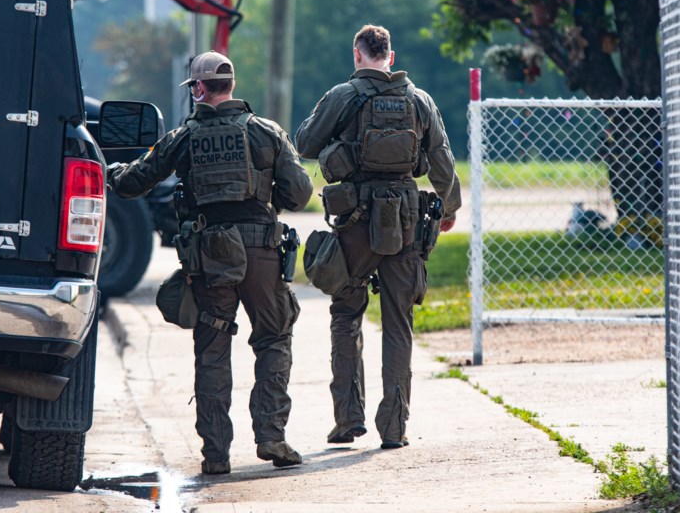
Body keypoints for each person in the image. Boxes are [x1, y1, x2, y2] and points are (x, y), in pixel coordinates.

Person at [107, 51, 313, 475]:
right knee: (273, 339)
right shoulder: (267, 132)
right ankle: (272, 436)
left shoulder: (183, 137)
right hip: (262, 256)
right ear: (231, 85)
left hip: (211, 260)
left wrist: (106, 169)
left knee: (213, 350)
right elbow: (298, 195)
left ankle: (215, 455)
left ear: (199, 88)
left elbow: (133, 183)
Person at [294, 24, 461, 450]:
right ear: (391, 54)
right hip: (406, 220)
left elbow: (306, 144)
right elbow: (441, 159)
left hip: (354, 221)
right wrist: (450, 207)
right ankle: (395, 427)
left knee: (347, 315)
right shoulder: (419, 100)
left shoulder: (342, 95)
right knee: (398, 323)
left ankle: (348, 418)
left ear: (357, 55)